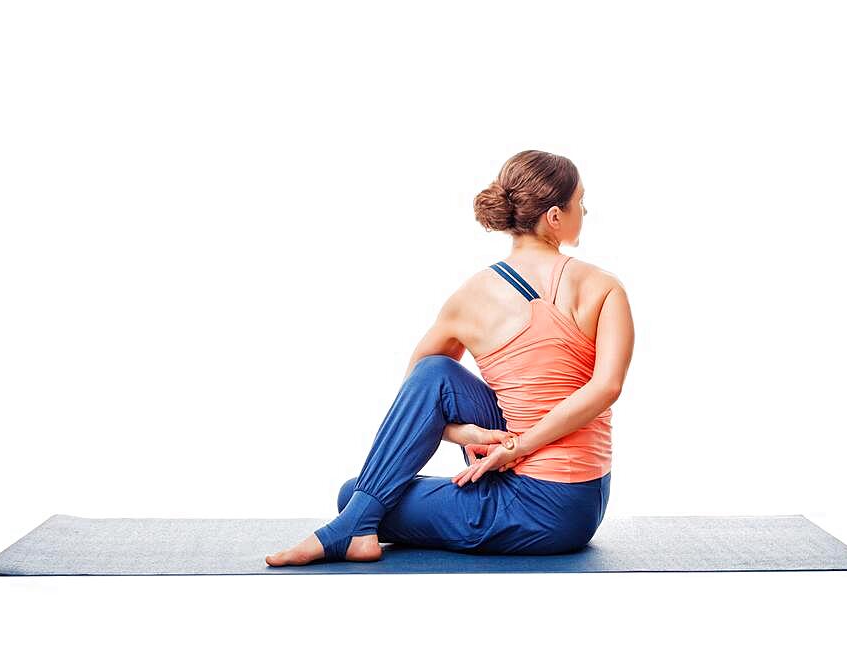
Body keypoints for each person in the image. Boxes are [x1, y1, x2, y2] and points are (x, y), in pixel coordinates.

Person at [266, 149, 635, 566]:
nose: (584, 210)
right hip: (582, 501)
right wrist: (472, 436)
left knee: (356, 494)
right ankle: (357, 524)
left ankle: (353, 526)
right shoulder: (604, 287)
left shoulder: (471, 296)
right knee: (420, 400)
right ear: (554, 216)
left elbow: (417, 390)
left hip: (540, 512)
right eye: (580, 201)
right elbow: (607, 385)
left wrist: (508, 446)